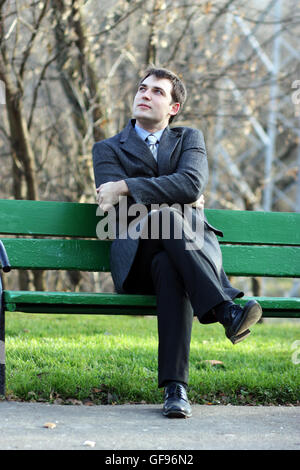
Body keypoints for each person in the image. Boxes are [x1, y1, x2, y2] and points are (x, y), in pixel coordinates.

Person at [92, 67, 262, 418]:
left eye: (157, 91)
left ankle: (176, 389)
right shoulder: (107, 149)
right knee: (167, 219)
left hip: (183, 255)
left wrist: (127, 185)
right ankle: (224, 308)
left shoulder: (189, 139)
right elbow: (120, 211)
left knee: (170, 265)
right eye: (142, 88)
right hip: (134, 257)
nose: (145, 94)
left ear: (174, 107)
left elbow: (191, 183)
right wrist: (176, 198)